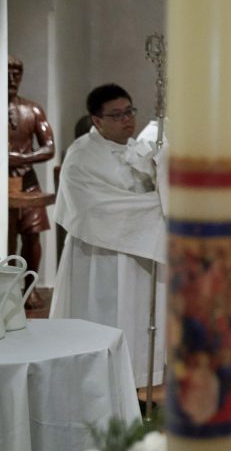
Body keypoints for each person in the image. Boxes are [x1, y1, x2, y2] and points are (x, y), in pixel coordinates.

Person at [49, 84, 166, 389]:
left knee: (136, 321)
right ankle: (92, 386)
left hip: (137, 254)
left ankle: (137, 381)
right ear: (96, 120)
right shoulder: (81, 157)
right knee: (100, 317)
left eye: (129, 111)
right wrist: (158, 207)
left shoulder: (137, 147)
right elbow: (94, 209)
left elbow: (152, 188)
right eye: (117, 115)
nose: (127, 120)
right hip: (97, 256)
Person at [7, 56, 55, 308]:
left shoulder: (32, 110)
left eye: (17, 72)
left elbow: (49, 147)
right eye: (7, 71)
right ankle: (7, 290)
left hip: (26, 181)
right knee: (5, 237)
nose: (13, 77)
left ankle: (29, 288)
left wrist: (22, 157)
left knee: (32, 234)